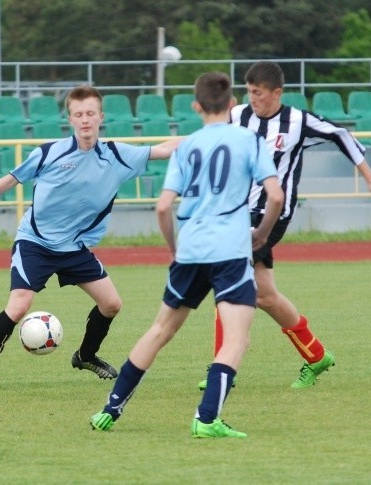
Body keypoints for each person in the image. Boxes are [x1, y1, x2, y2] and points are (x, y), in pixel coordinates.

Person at [89, 71, 284, 438]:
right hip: (229, 250)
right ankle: (206, 419)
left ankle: (109, 409)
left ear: (196, 106)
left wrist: (174, 248)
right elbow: (275, 196)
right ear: (231, 104)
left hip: (191, 249)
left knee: (160, 330)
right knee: (236, 339)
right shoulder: (249, 139)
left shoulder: (188, 146)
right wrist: (261, 232)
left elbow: (163, 208)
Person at [0, 84, 180, 391]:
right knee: (19, 305)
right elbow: (10, 179)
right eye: (78, 114)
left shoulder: (117, 154)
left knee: (112, 304)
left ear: (101, 116)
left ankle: (85, 356)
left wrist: (215, 134)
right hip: (35, 242)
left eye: (90, 113)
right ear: (70, 119)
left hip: (74, 247)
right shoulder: (48, 153)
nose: (85, 119)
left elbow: (165, 149)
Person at [198, 61, 371, 390]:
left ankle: (223, 366)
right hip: (238, 212)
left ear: (277, 93)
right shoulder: (238, 115)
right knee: (266, 295)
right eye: (249, 92)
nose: (253, 98)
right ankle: (316, 356)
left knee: (227, 273)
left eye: (258, 93)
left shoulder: (297, 121)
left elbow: (340, 135)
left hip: (273, 215)